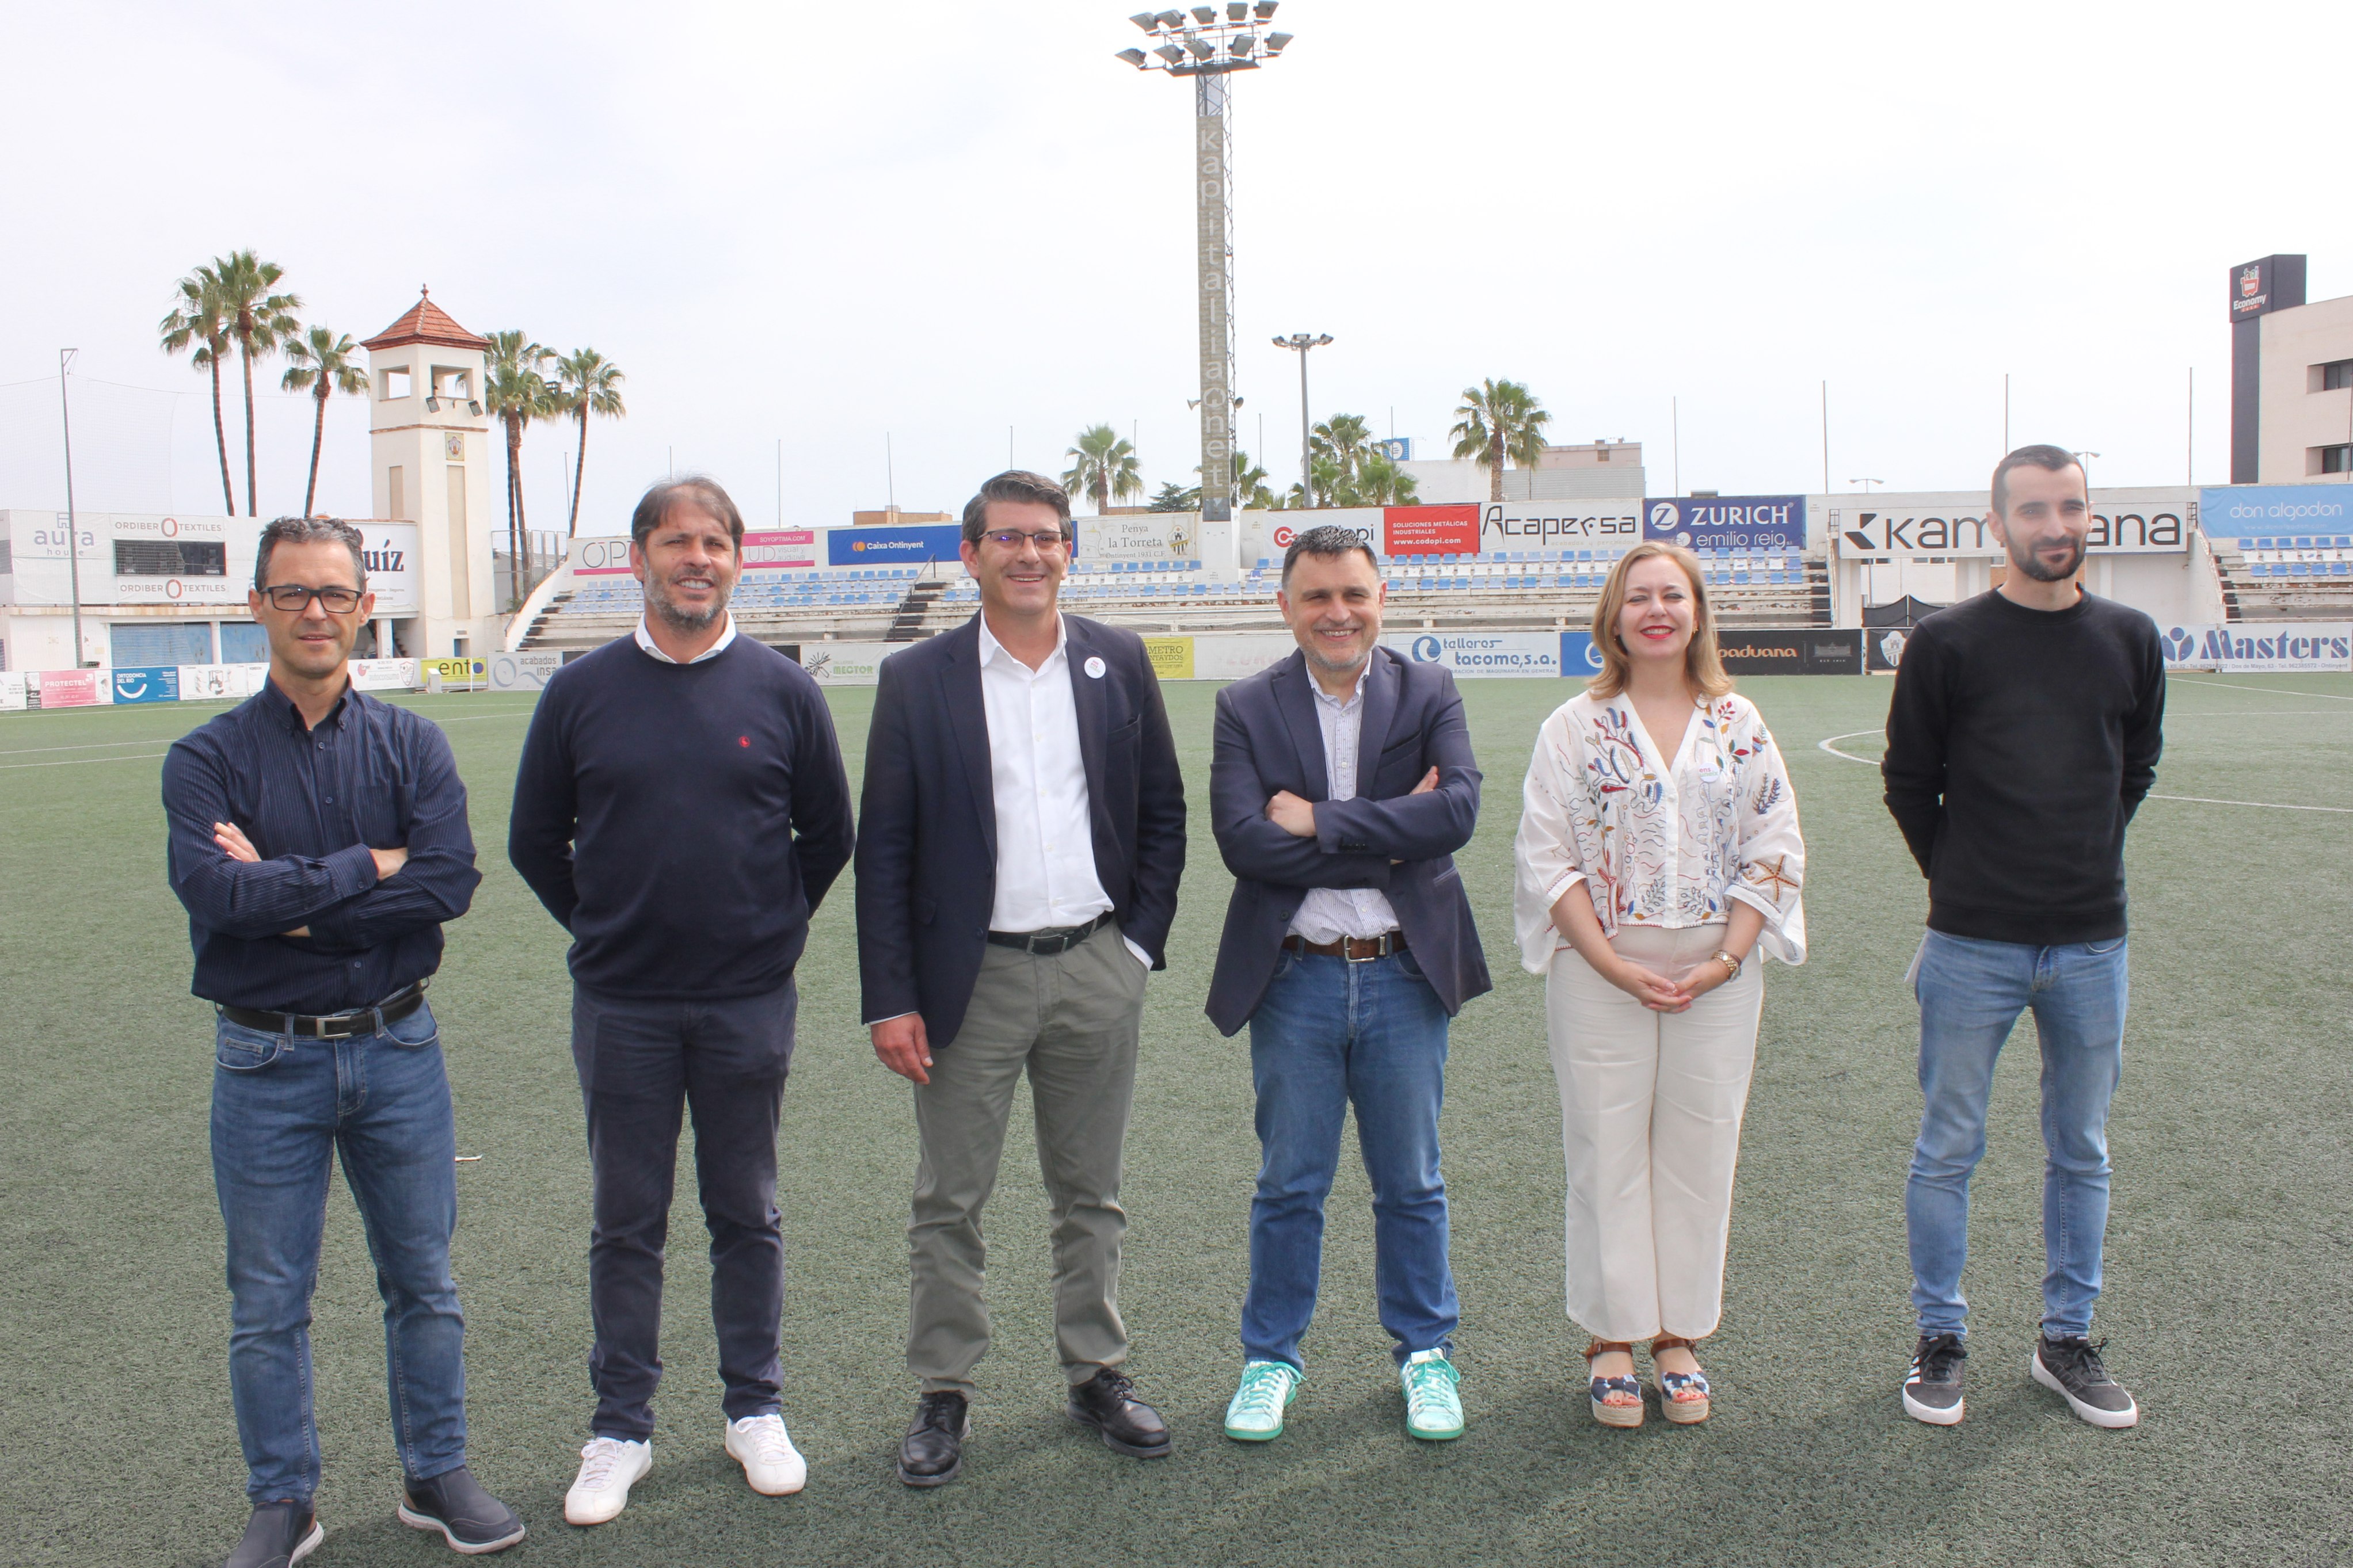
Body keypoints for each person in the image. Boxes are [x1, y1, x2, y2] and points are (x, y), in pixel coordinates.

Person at [162, 516, 523, 1565]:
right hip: (263, 1057)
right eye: (292, 594)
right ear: (260, 606)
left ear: (365, 606)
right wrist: (369, 866)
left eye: (334, 594)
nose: (315, 612)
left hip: (399, 1047)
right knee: (268, 1297)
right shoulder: (207, 758)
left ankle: (436, 1471)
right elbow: (216, 894)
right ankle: (284, 1500)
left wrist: (290, 900)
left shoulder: (413, 743)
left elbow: (448, 881)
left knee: (423, 1277)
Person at [508, 476, 855, 1523]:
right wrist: (609, 930)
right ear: (638, 559)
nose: (694, 559)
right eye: (674, 542)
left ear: (738, 559)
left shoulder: (784, 690)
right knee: (627, 1219)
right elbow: (534, 842)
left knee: (746, 1209)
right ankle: (621, 1426)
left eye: (712, 542)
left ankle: (754, 1407)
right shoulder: (579, 691)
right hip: (624, 1007)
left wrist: (771, 932)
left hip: (749, 1003)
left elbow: (827, 836)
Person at [856, 470, 1186, 1487]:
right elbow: (886, 851)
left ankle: (1096, 1371)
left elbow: (1164, 814)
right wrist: (891, 995)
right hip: (972, 981)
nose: (1029, 554)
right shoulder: (919, 678)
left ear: (1069, 551)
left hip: (1095, 963)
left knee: (1090, 1191)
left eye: (1046, 537)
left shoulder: (1118, 660)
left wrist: (1135, 948)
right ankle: (944, 1391)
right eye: (1007, 538)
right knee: (950, 1197)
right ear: (972, 555)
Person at [1882, 445, 2162, 1430]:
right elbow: (1911, 781)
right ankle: (1941, 1337)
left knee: (2081, 1147)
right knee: (1949, 1145)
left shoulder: (2130, 636)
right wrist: (1963, 878)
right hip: (1972, 944)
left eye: (2072, 507)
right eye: (2035, 509)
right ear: (1996, 524)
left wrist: (2079, 859)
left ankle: (2066, 1338)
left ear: (2091, 518)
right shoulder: (1949, 642)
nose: (2056, 525)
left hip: (2093, 943)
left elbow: (2135, 769)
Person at [1205, 525, 1489, 1444]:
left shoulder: (1429, 688)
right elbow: (1244, 843)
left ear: (1381, 599)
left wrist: (1319, 822)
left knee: (1412, 1181)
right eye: (1318, 595)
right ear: (1286, 606)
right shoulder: (1246, 704)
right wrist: (1387, 829)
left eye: (1355, 594)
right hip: (1296, 979)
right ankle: (1270, 1360)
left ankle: (1425, 1354)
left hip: (1406, 973)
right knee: (1291, 1182)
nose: (1339, 612)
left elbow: (1458, 812)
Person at [1512, 540, 1804, 1429]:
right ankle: (1610, 1339)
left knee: (1700, 1149)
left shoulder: (1739, 720)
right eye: (1638, 596)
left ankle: (1677, 1334)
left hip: (1720, 974)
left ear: (1697, 612)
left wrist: (1724, 959)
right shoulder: (1574, 724)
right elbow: (1546, 856)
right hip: (1602, 970)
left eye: (1672, 596)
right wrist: (1610, 960)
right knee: (1606, 1148)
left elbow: (1776, 846)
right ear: (1615, 616)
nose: (1656, 611)